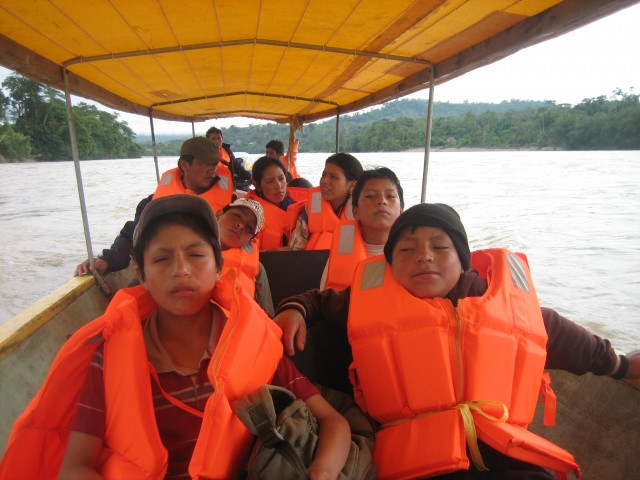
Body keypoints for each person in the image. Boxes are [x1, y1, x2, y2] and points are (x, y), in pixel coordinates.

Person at [273, 203, 640, 480]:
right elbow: (318, 301)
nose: (424, 257)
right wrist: (295, 310)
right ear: (390, 264)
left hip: (505, 451)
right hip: (413, 458)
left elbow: (564, 337)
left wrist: (620, 365)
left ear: (462, 260)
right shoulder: (367, 302)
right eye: (406, 249)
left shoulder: (492, 298)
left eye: (440, 247)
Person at [2, 195, 351, 480]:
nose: (181, 269)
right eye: (162, 258)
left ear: (218, 267)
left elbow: (333, 422)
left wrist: (321, 472)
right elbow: (75, 467)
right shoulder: (110, 357)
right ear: (142, 275)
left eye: (196, 255)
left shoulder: (254, 343)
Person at [74, 137, 232, 276]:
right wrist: (107, 259)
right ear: (185, 164)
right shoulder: (154, 205)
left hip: (211, 270)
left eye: (215, 164)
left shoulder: (229, 205)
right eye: (206, 164)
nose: (213, 170)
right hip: (169, 271)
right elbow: (132, 235)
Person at [320, 167, 404, 290]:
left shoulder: (412, 254)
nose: (382, 201)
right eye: (370, 196)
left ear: (401, 211)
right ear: (355, 211)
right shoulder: (340, 253)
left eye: (390, 196)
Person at [288, 153, 364, 251]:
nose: (324, 180)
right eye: (324, 175)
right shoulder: (309, 210)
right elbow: (295, 249)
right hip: (312, 262)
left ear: (353, 185)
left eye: (333, 177)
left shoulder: (363, 212)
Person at [216, 197, 275, 316]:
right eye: (237, 216)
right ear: (219, 214)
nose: (241, 225)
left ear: (249, 240)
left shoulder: (257, 269)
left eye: (249, 227)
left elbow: (268, 316)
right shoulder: (185, 249)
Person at [244, 156, 309, 250]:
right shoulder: (246, 213)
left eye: (281, 179)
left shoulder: (302, 209)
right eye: (270, 181)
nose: (278, 186)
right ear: (257, 185)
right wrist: (271, 253)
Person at [206, 126, 252, 191]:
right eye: (213, 139)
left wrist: (250, 176)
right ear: (208, 141)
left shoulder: (227, 151)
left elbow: (237, 167)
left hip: (228, 189)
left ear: (222, 139)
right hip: (212, 189)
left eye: (219, 138)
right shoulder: (204, 155)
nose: (216, 141)